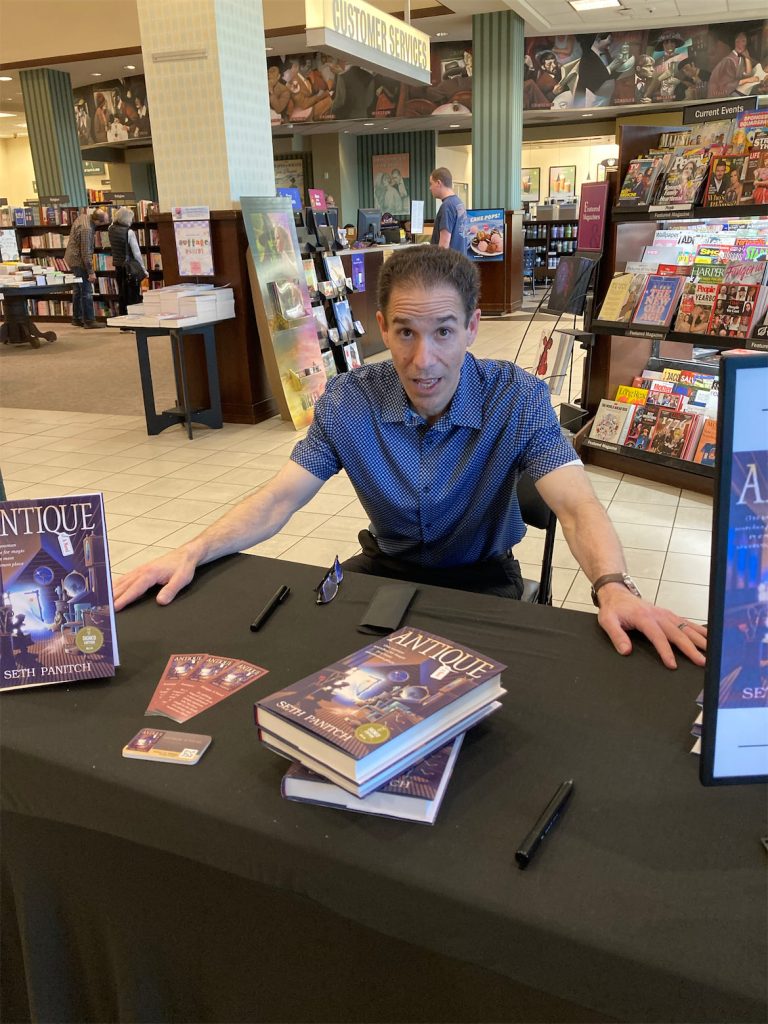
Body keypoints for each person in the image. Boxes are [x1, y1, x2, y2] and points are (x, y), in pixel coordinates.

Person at [114, 247, 707, 671]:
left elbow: (576, 506)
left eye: (444, 331)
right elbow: (277, 500)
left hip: (482, 580)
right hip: (385, 570)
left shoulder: (517, 396)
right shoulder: (348, 401)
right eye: (405, 333)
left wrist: (614, 586)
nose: (424, 359)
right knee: (306, 670)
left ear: (473, 327)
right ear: (380, 328)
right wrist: (190, 551)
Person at [64, 207, 110, 328]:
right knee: (86, 291)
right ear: (97, 221)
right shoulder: (87, 229)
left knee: (78, 290)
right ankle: (89, 321)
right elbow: (85, 252)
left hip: (71, 257)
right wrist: (91, 272)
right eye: (102, 223)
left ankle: (77, 318)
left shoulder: (83, 217)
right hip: (78, 260)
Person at [108, 206, 146, 315]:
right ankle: (132, 320)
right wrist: (143, 269)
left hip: (119, 266)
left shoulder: (110, 229)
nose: (132, 220)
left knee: (122, 294)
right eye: (131, 218)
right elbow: (137, 253)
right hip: (130, 267)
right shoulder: (129, 232)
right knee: (132, 294)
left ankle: (123, 320)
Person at [429, 167, 469, 253]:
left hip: (450, 264)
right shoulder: (459, 203)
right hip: (461, 261)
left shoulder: (447, 206)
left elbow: (444, 244)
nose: (430, 188)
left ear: (438, 183)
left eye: (431, 184)